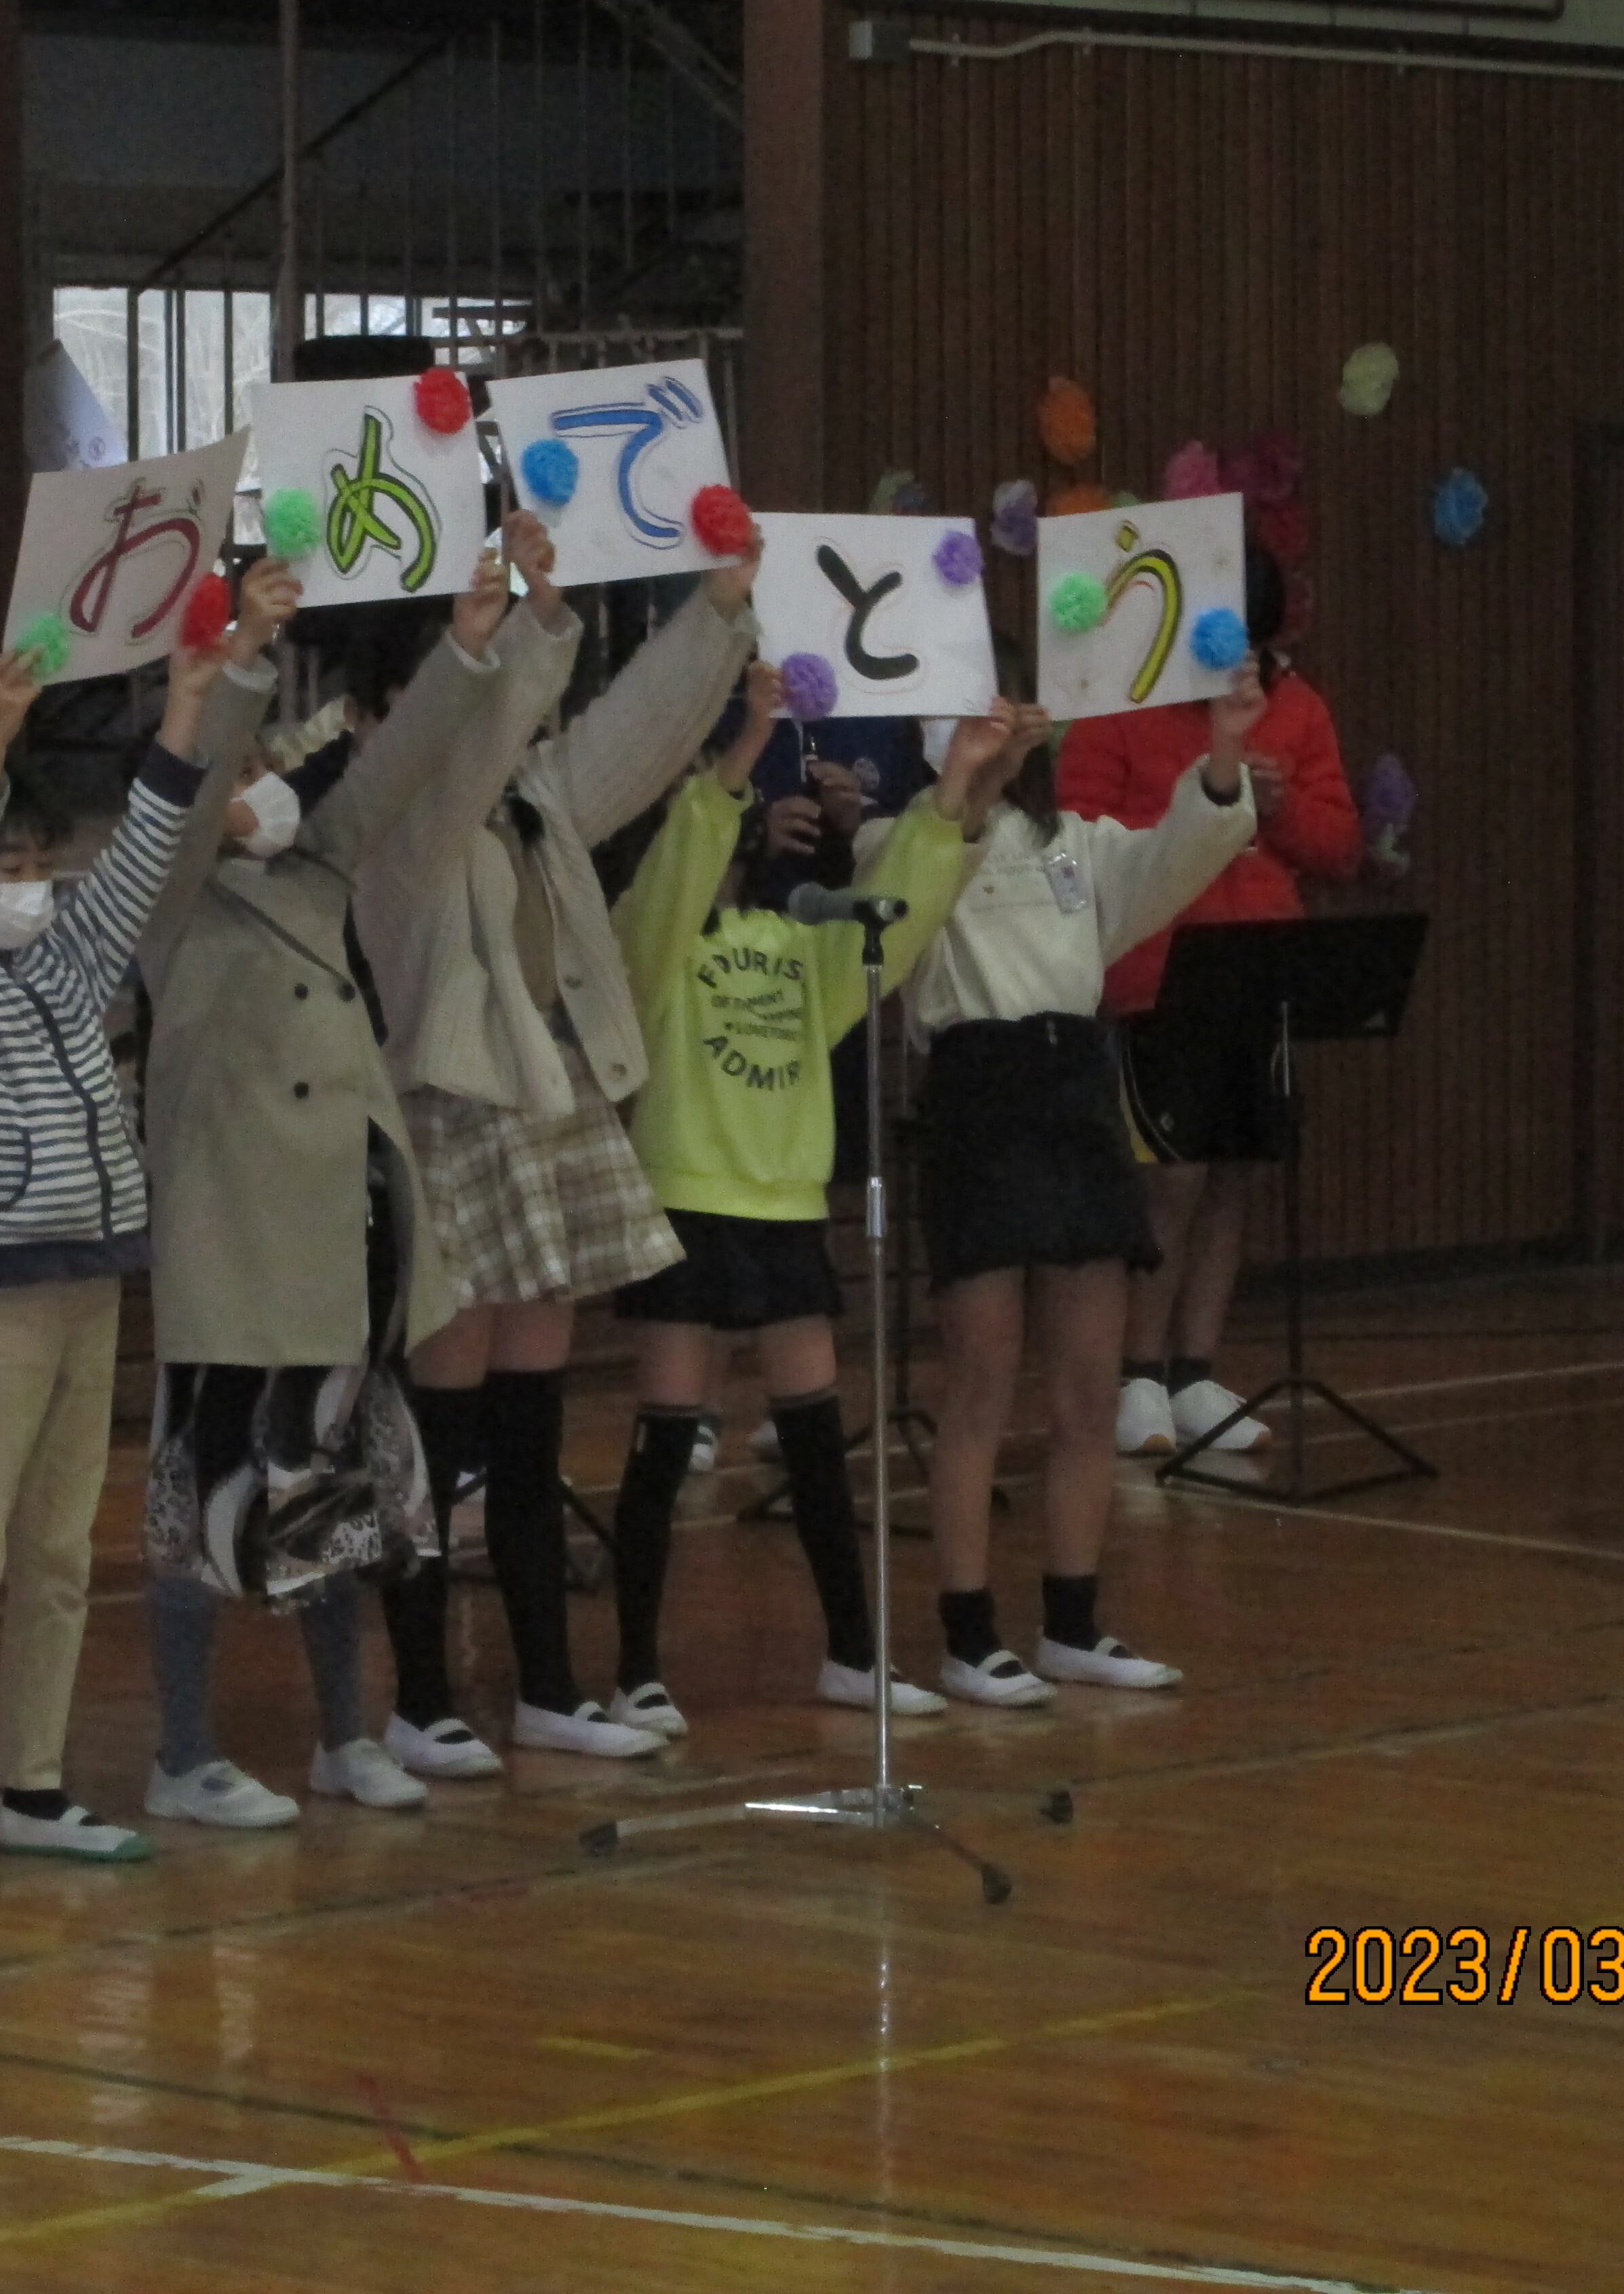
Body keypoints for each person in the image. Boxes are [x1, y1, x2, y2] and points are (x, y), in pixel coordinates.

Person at [130, 540, 542, 1824]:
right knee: (209, 1487)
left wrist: (470, 642)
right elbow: (189, 803)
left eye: (264, 764)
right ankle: (184, 1748)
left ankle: (341, 1734)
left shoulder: (317, 869)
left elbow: (393, 768)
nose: (256, 783)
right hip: (230, 1234)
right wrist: (238, 666)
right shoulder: (168, 889)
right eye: (237, 764)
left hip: (343, 1218)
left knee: (341, 1487)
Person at [355, 531, 761, 1760]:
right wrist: (516, 640)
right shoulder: (384, 826)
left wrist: (718, 611)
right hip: (445, 1111)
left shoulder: (533, 800)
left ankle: (545, 1684)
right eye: (442, 674)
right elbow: (466, 749)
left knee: (533, 1425)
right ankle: (421, 1698)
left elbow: (637, 736)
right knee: (436, 1434)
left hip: (547, 1099)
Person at [0, 628, 219, 1892]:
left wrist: (184, 712)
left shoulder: (70, 964)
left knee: (62, 1553)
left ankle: (32, 1784)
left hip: (89, 1280)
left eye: (32, 859)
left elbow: (139, 859)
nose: (26, 879)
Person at [600, 665, 992, 1732]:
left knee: (819, 1445)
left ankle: (854, 1654)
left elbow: (897, 922)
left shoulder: (797, 941)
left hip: (782, 1210)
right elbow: (681, 859)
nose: (740, 834)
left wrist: (952, 787)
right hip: (689, 1203)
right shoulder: (652, 946)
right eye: (727, 818)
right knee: (669, 1439)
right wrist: (746, 743)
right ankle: (635, 1667)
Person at [897, 678, 1256, 1707]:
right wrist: (981, 774)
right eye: (974, 713)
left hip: (1074, 1092)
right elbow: (917, 898)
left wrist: (1223, 754)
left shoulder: (1080, 845)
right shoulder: (916, 832)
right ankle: (969, 1635)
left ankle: (1072, 1622)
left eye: (1010, 709)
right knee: (980, 1383)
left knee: (1090, 1385)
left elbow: (1177, 858)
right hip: (979, 1092)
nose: (998, 728)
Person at [1056, 549, 1359, 1458]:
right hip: (1160, 969)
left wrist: (1277, 810)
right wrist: (1205, 806)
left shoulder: (1298, 709)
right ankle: (1136, 1375)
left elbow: (1339, 845)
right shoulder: (1121, 710)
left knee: (1237, 1169)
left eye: (1257, 644)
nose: (1243, 661)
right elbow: (1078, 833)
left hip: (1262, 968)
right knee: (1169, 1178)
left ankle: (1194, 1370)